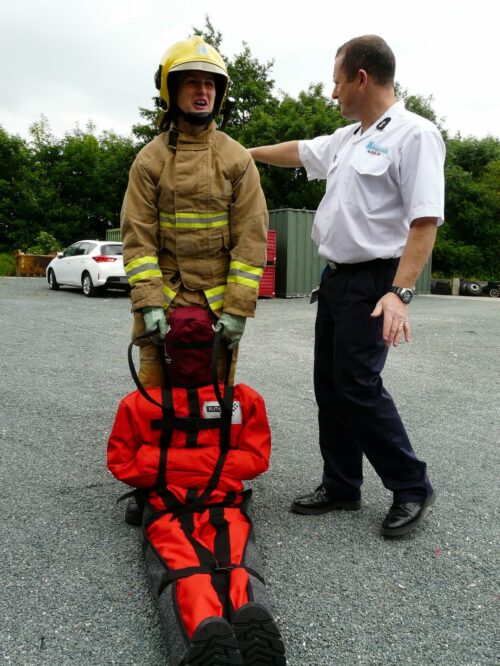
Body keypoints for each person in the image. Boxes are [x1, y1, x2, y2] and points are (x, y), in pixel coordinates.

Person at [248, 35, 445, 537]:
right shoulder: (348, 137)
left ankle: (411, 485)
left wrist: (398, 294)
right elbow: (297, 152)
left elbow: (424, 223)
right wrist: (242, 152)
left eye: (336, 81)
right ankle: (341, 485)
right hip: (334, 281)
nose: (332, 92)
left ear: (361, 77)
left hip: (375, 281)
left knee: (358, 386)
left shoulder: (414, 135)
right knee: (330, 387)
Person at [107, 307, 286, 665]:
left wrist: (169, 466)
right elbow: (256, 460)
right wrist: (211, 467)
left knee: (182, 567)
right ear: (218, 349)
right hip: (225, 501)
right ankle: (248, 611)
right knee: (237, 562)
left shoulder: (138, 404)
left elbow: (121, 463)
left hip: (165, 504)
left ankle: (201, 628)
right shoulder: (243, 400)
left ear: (165, 351)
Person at [121, 35, 268, 389]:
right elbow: (137, 238)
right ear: (172, 91)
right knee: (156, 408)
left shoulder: (237, 159)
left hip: (217, 314)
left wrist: (237, 310)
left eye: (209, 84)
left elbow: (252, 239)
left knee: (213, 409)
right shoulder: (149, 161)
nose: (203, 92)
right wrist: (149, 303)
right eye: (192, 83)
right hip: (163, 308)